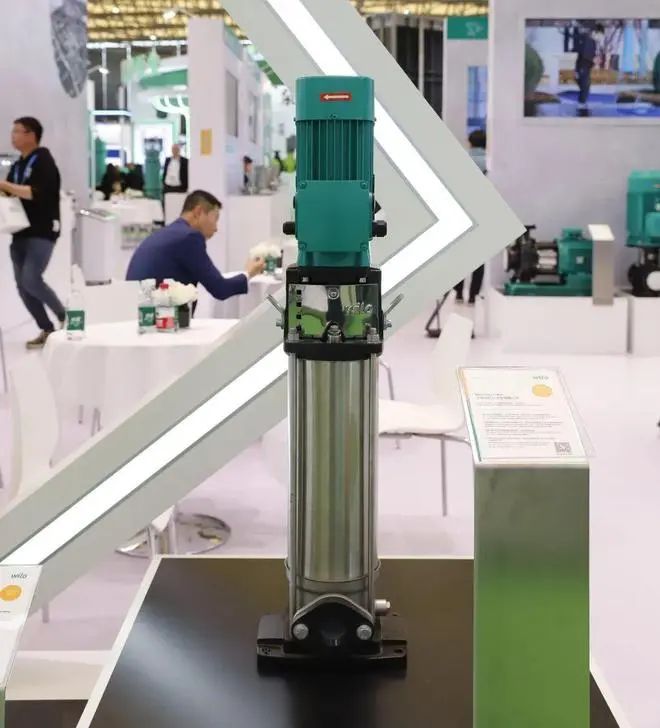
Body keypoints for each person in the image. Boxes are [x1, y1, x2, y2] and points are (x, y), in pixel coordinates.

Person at [126, 189, 265, 302]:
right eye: (215, 219)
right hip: (158, 318)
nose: (216, 228)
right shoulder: (189, 237)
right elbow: (220, 288)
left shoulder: (167, 233)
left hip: (136, 309)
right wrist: (248, 273)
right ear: (198, 212)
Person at [0, 116, 66, 348]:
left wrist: (6, 186)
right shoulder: (18, 165)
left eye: (17, 131)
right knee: (22, 286)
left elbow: (37, 193)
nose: (13, 136)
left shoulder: (44, 161)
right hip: (19, 231)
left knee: (31, 278)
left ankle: (64, 315)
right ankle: (46, 328)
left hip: (41, 230)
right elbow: (10, 193)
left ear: (31, 135)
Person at [454, 129, 487, 305]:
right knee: (479, 256)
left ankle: (459, 293)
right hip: (481, 212)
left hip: (462, 212)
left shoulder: (462, 160)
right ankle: (473, 295)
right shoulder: (489, 162)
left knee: (460, 254)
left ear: (470, 142)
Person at [575, 24, 603, 107]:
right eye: (600, 35)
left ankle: (582, 104)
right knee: (585, 86)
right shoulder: (588, 39)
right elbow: (585, 54)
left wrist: (595, 60)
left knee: (585, 86)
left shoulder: (592, 41)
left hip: (584, 67)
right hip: (582, 67)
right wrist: (593, 59)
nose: (600, 38)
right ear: (595, 32)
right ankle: (581, 105)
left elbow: (588, 54)